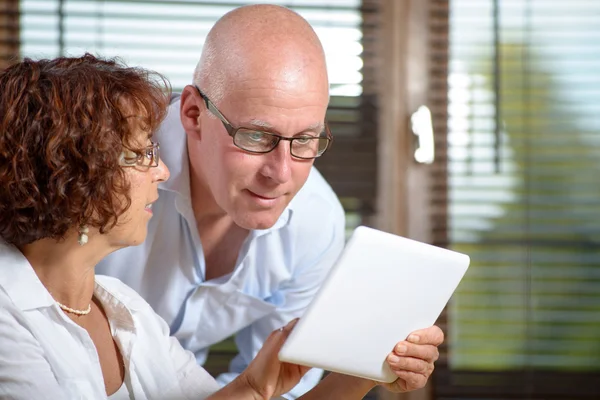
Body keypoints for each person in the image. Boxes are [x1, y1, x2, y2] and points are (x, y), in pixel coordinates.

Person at [0, 54, 437, 399]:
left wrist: (360, 374)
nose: (162, 171)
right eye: (140, 155)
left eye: (305, 139)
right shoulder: (10, 318)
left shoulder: (127, 313)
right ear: (69, 177)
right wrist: (251, 390)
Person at [96, 4, 444, 398]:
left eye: (305, 140)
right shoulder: (111, 171)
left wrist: (367, 368)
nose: (280, 174)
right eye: (257, 137)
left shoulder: (314, 222)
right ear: (193, 114)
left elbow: (273, 389)